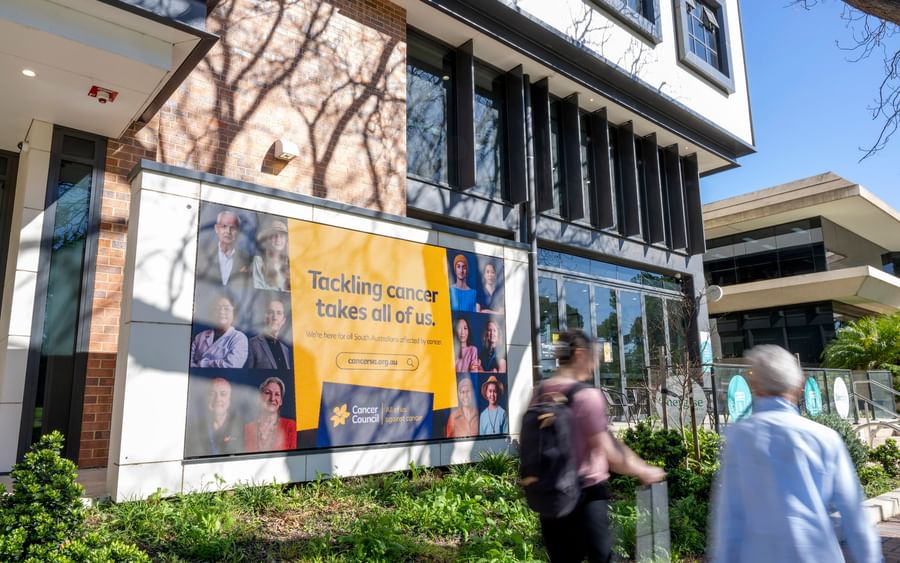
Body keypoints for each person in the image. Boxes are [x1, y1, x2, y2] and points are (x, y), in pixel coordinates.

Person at [708, 344, 881, 563]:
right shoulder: (825, 438)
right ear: (798, 386)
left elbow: (729, 518)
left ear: (754, 385)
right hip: (819, 555)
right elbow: (854, 515)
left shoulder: (738, 438)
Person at [536, 330, 665, 563]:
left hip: (550, 499)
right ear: (580, 354)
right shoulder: (587, 397)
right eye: (594, 357)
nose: (595, 365)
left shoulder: (541, 392)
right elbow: (609, 450)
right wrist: (644, 470)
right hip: (585, 498)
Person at [185, 377, 244, 456]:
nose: (218, 399)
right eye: (212, 394)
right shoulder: (192, 430)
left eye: (223, 394)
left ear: (230, 399)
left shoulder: (243, 428)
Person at [190, 294, 248, 368]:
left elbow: (231, 365)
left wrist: (200, 364)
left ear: (234, 313)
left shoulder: (239, 338)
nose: (221, 312)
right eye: (217, 309)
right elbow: (188, 362)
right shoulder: (200, 336)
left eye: (226, 309)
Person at [197, 210, 250, 288]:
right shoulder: (202, 256)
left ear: (238, 232)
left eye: (233, 228)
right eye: (224, 226)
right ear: (217, 229)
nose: (228, 231)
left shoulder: (245, 261)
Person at [244, 376, 297, 452]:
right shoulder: (248, 428)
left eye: (277, 394)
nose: (272, 398)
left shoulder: (290, 426)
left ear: (281, 401)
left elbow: (292, 457)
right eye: (268, 393)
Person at [248, 298, 291, 370]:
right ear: (265, 317)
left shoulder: (285, 349)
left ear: (283, 320)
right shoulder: (253, 344)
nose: (275, 317)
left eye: (279, 313)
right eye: (271, 312)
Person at [252, 219, 290, 291]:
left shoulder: (291, 267)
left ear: (286, 241)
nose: (278, 238)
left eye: (282, 235)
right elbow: (259, 291)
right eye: (274, 235)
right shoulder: (258, 262)